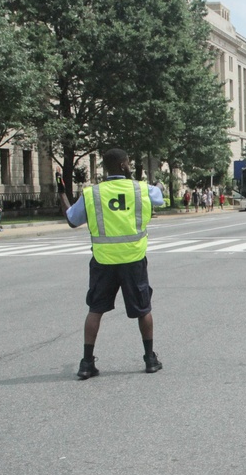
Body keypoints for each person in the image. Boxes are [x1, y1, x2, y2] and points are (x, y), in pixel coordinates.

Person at [58, 148, 166, 380]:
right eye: (128, 163)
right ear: (124, 165)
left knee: (95, 310)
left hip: (103, 260)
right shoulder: (140, 189)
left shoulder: (92, 194)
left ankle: (87, 363)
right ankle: (150, 358)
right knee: (143, 309)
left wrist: (61, 193)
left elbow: (71, 220)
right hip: (133, 259)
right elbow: (159, 197)